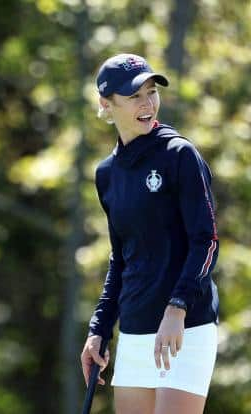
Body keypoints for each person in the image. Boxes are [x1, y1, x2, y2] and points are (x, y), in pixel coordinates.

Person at [80, 53, 220, 414]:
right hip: (136, 330)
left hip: (184, 328)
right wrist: (100, 328)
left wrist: (178, 307)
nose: (148, 103)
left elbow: (206, 241)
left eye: (152, 91)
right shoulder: (107, 173)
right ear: (106, 105)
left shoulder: (180, 155)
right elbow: (120, 258)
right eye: (134, 96)